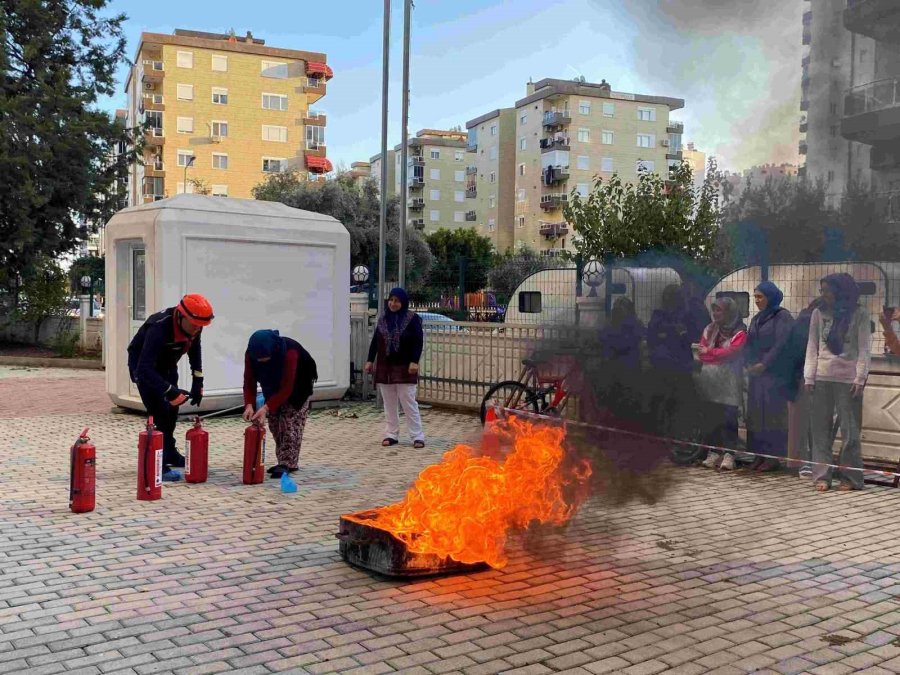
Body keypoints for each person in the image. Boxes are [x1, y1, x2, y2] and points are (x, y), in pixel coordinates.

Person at [127, 294, 214, 481]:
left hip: (167, 365)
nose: (197, 329)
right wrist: (169, 390)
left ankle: (169, 452)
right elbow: (144, 368)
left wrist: (198, 382)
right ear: (181, 316)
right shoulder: (159, 327)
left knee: (172, 410)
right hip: (144, 367)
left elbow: (195, 351)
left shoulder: (195, 325)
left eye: (201, 326)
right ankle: (157, 461)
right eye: (194, 325)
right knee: (158, 412)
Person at [805, 273, 871, 492]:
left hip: (848, 380)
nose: (823, 294)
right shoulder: (818, 313)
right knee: (820, 431)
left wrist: (860, 378)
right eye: (822, 290)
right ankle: (822, 476)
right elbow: (812, 347)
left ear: (841, 291)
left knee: (850, 431)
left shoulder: (859, 314)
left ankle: (851, 478)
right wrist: (809, 376)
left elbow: (864, 349)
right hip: (821, 377)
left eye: (827, 290)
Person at [242, 330, 318, 478]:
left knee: (289, 421)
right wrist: (249, 404)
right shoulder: (251, 353)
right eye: (259, 360)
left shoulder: (290, 352)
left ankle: (287, 463)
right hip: (272, 385)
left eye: (266, 358)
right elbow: (249, 380)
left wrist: (265, 407)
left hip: (298, 385)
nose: (262, 362)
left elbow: (287, 387)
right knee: (275, 423)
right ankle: (283, 461)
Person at [365, 288, 425, 448]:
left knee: (408, 400)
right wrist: (370, 360)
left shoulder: (412, 319)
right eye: (391, 300)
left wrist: (414, 361)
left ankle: (417, 436)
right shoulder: (383, 319)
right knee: (389, 402)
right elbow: (376, 341)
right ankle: (392, 434)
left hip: (405, 365)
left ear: (403, 302)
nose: (393, 303)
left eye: (397, 301)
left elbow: (418, 341)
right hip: (385, 365)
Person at [745, 281, 795, 472]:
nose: (757, 301)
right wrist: (749, 363)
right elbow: (749, 343)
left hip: (774, 374)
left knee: (772, 415)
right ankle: (758, 454)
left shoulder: (782, 316)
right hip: (756, 375)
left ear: (771, 297)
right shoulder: (757, 318)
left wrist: (764, 364)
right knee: (756, 414)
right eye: (755, 297)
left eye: (760, 297)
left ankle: (773, 457)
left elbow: (781, 344)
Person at [696, 297, 747, 471]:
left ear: (729, 312)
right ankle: (713, 452)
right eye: (714, 309)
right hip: (710, 380)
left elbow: (732, 352)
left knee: (729, 417)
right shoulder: (709, 329)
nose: (715, 313)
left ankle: (729, 454)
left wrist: (710, 352)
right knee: (712, 417)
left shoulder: (740, 331)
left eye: (720, 310)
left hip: (729, 381)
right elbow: (700, 354)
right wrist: (716, 354)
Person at [647, 285, 698, 442]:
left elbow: (690, 336)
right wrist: (673, 331)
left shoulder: (686, 315)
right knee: (663, 403)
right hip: (664, 367)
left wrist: (672, 333)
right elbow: (652, 336)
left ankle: (677, 437)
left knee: (679, 404)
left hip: (679, 367)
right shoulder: (659, 315)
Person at [782, 299, 823, 478]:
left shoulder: (802, 320)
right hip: (805, 378)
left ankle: (802, 462)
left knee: (801, 423)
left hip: (799, 378)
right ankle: (807, 462)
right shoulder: (807, 322)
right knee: (811, 423)